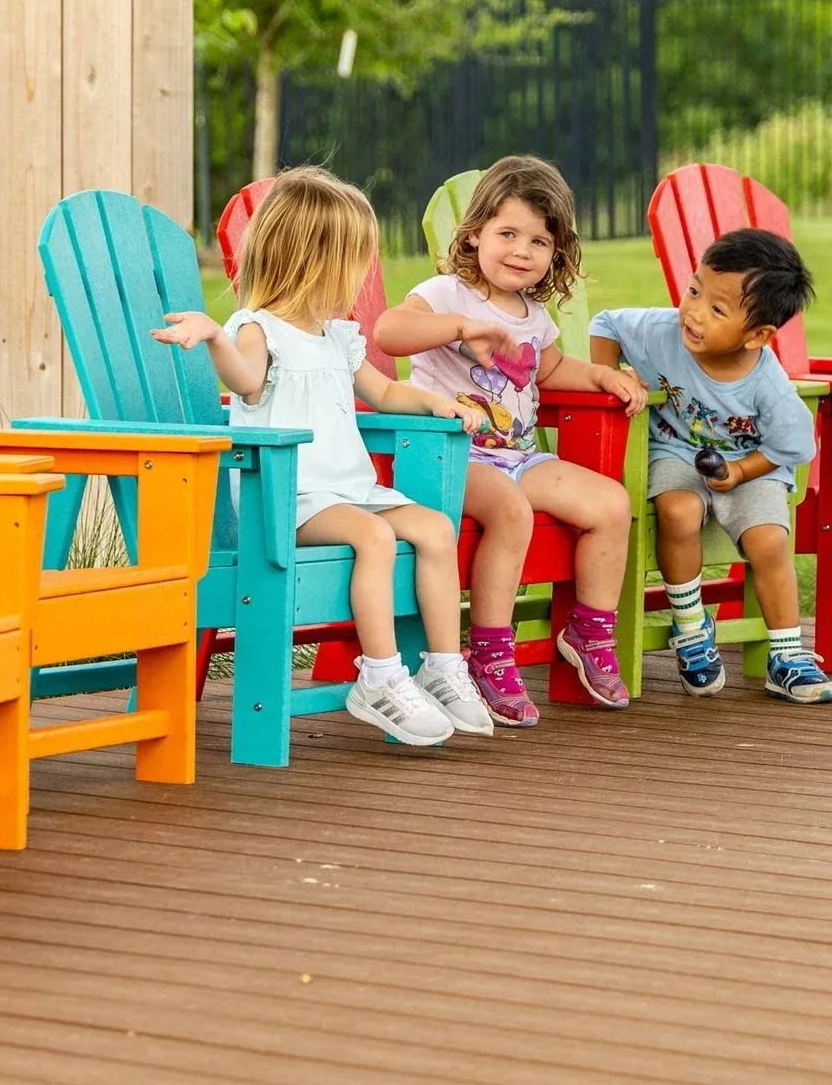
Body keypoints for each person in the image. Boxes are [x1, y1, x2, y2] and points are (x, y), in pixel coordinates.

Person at [152, 167, 494, 747]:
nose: (363, 274)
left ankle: (441, 666)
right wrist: (214, 337)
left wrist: (435, 402)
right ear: (313, 261)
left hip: (348, 491)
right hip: (287, 496)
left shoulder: (338, 336)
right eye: (355, 259)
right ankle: (381, 676)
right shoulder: (257, 329)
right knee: (377, 538)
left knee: (437, 530)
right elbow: (248, 384)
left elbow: (383, 393)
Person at [374, 156, 641, 723]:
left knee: (611, 505)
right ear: (473, 236)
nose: (522, 251)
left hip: (516, 454)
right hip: (448, 457)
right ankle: (492, 653)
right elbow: (388, 332)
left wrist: (600, 376)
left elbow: (546, 370)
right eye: (508, 234)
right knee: (513, 512)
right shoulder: (446, 293)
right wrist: (458, 328)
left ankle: (589, 633)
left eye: (539, 242)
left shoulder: (534, 312)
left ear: (556, 255)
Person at [588, 229, 832, 704]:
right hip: (674, 452)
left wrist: (740, 473)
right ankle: (691, 629)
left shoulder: (768, 385)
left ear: (759, 335)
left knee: (769, 541)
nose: (694, 313)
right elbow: (606, 324)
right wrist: (612, 373)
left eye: (717, 309)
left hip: (752, 465)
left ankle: (787, 655)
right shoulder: (662, 332)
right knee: (679, 512)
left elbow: (794, 444)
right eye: (695, 290)